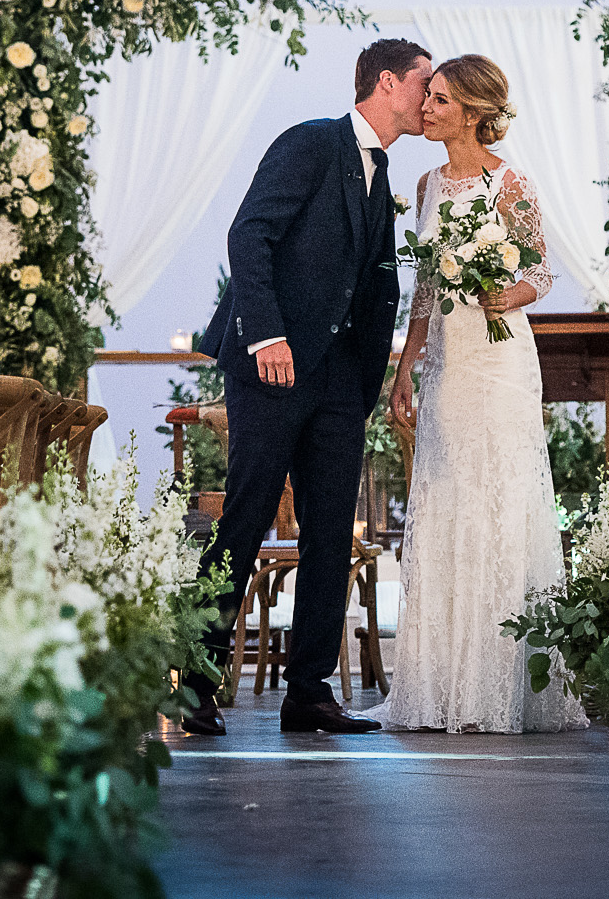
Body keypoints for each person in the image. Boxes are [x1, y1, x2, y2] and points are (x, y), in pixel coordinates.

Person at [182, 38, 432, 736]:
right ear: (387, 83)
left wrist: (372, 374)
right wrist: (266, 336)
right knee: (245, 515)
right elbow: (249, 233)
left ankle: (309, 691)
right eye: (423, 83)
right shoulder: (311, 142)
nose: (430, 97)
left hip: (339, 380)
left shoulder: (381, 172)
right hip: (274, 366)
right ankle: (192, 678)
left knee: (330, 531)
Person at [371, 55, 586, 733]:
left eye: (438, 100)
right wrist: (406, 366)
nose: (425, 108)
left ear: (470, 110)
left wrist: (507, 290)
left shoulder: (510, 181)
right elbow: (426, 290)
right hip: (450, 366)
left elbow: (542, 272)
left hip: (500, 363)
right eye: (427, 96)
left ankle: (499, 686)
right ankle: (441, 686)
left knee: (500, 500)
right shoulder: (427, 180)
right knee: (448, 498)